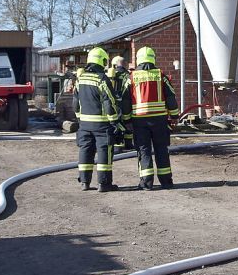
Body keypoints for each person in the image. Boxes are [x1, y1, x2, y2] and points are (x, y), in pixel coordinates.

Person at [130, 46, 179, 190]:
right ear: (153, 58)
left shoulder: (131, 77)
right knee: (161, 149)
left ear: (138, 59)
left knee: (143, 150)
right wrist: (174, 115)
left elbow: (126, 100)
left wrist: (126, 119)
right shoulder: (161, 75)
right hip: (159, 120)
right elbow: (171, 97)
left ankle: (146, 183)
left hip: (139, 121)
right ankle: (166, 182)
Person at [75, 47, 121, 192]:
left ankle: (84, 182)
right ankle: (104, 184)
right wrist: (114, 121)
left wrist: (79, 118)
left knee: (85, 150)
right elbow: (109, 102)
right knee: (104, 151)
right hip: (101, 124)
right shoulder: (101, 79)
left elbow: (75, 102)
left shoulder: (80, 78)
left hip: (84, 124)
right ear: (102, 61)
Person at [107, 55, 133, 153]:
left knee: (116, 123)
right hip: (126, 103)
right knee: (128, 122)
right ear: (125, 65)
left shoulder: (109, 75)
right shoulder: (129, 75)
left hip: (113, 104)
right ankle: (129, 144)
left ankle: (117, 145)